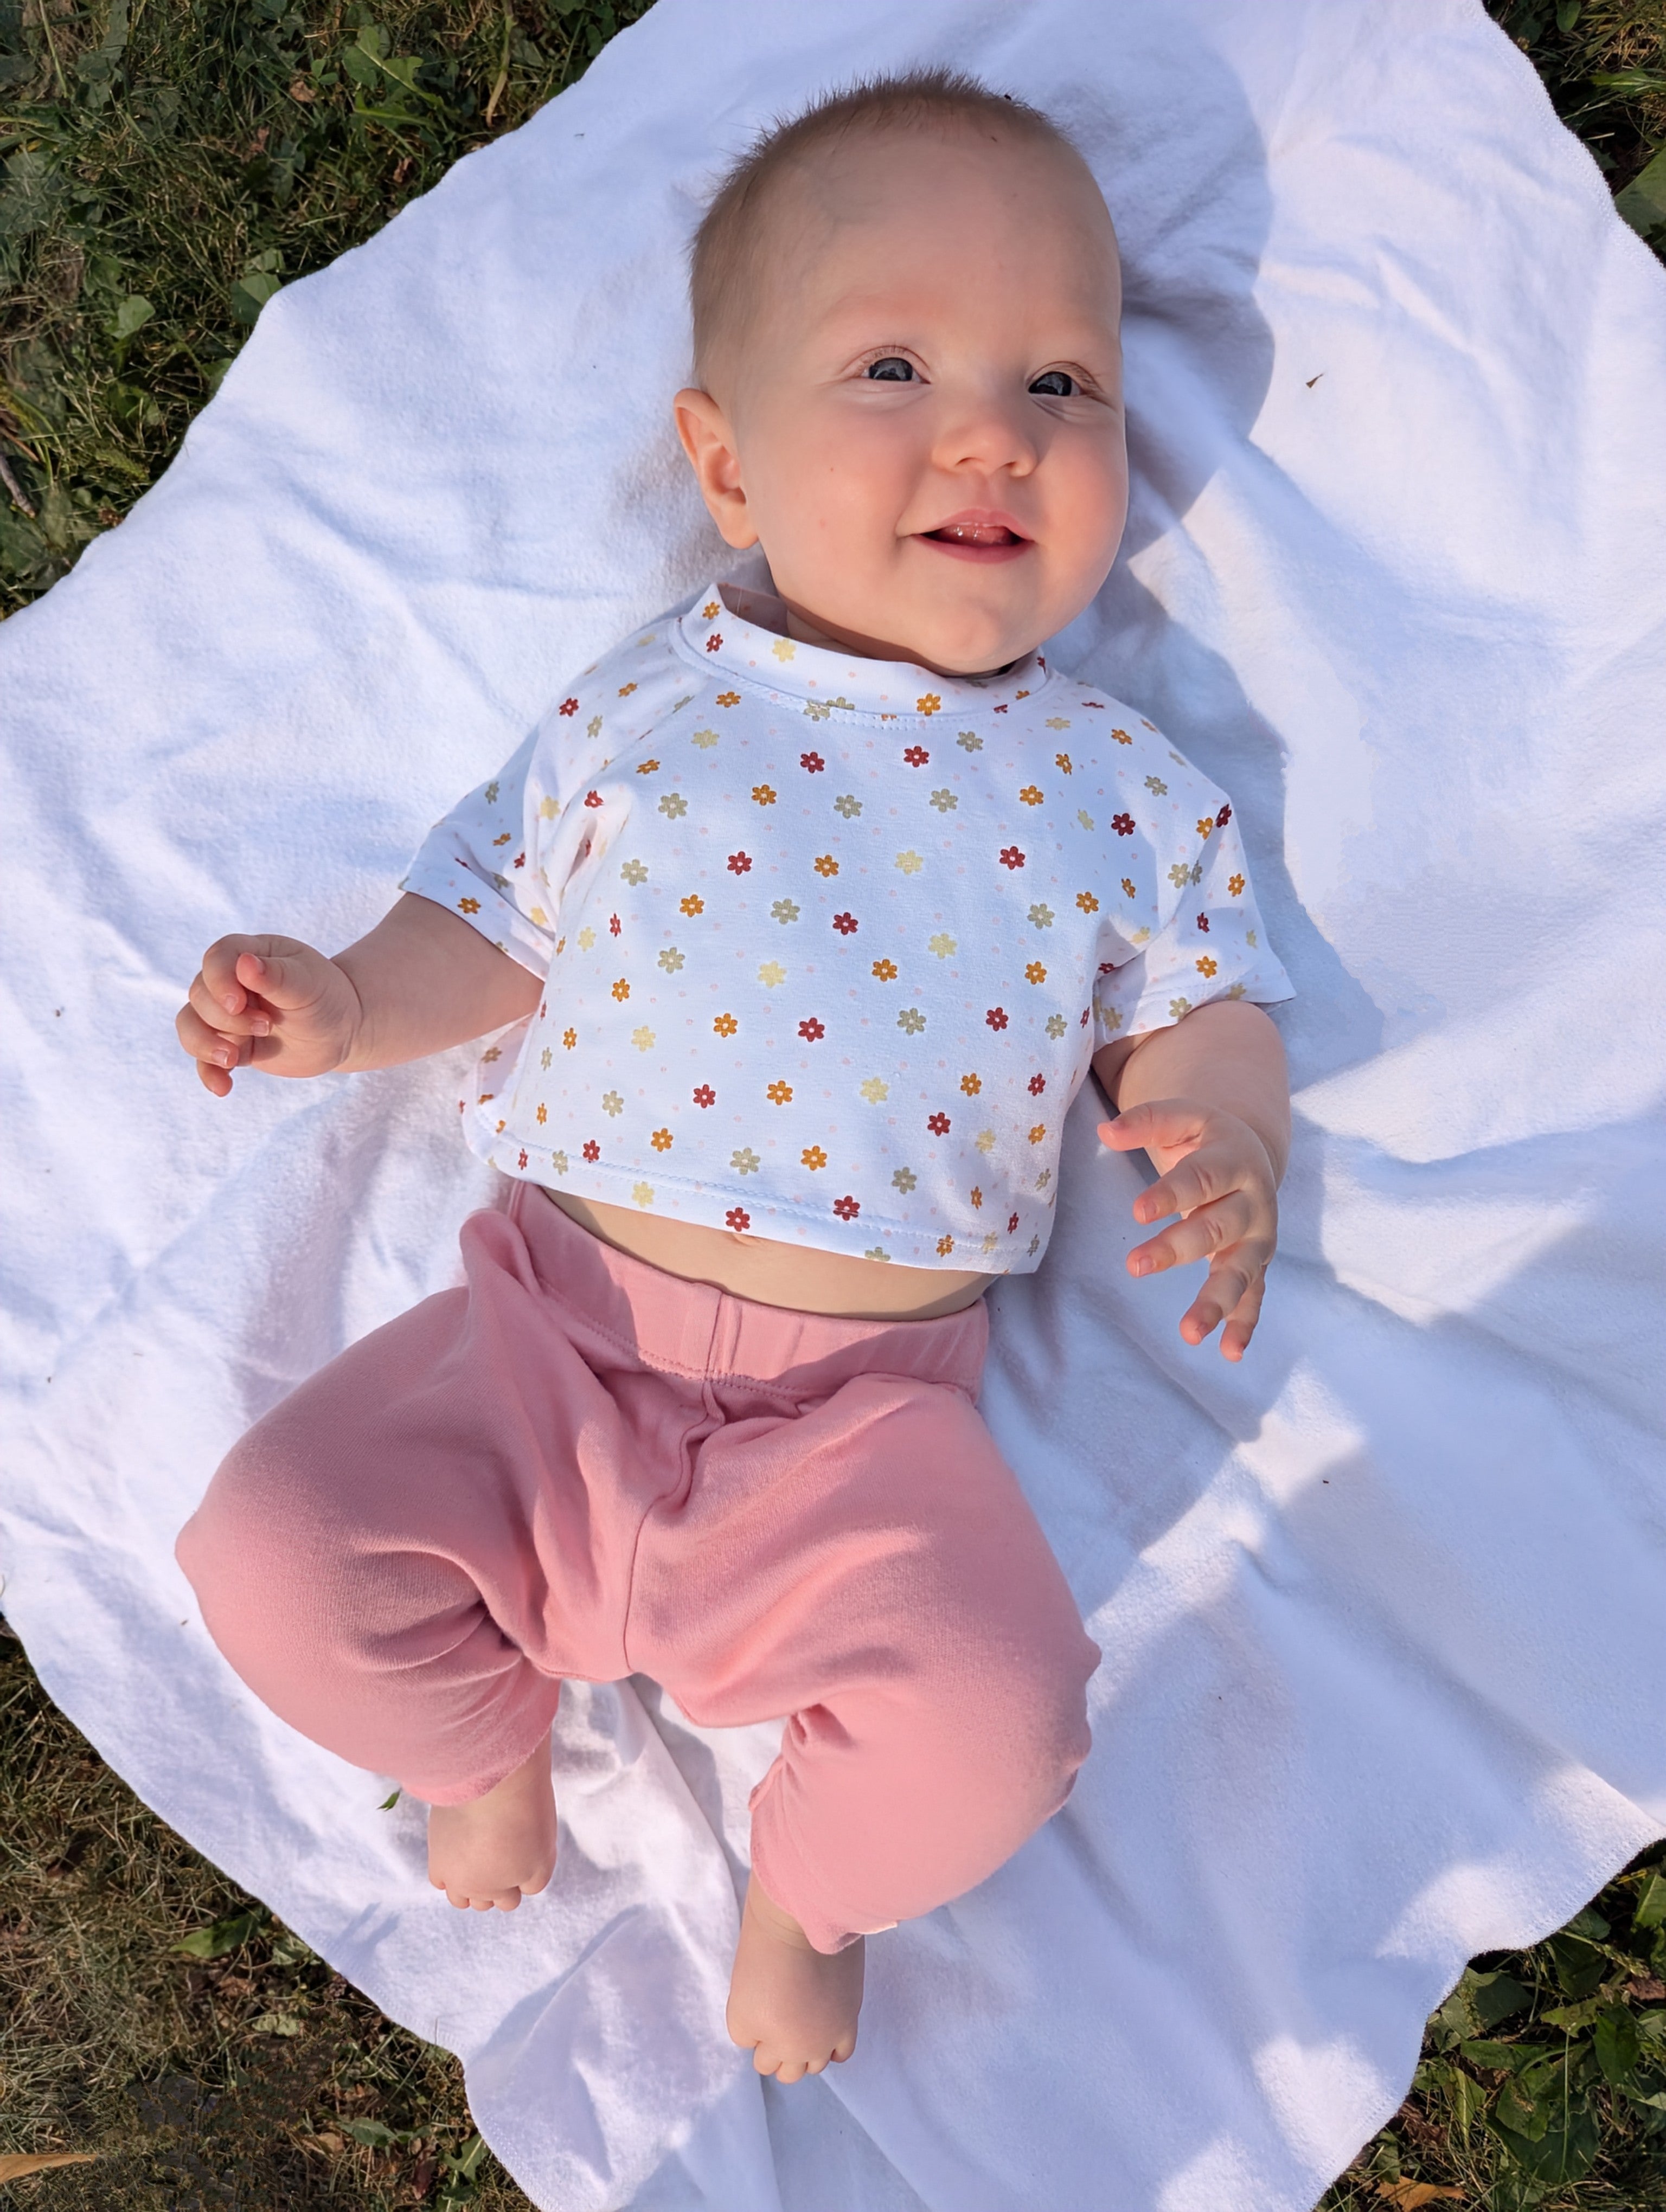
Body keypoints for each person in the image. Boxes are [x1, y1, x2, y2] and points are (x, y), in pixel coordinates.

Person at [173, 69, 1294, 2086]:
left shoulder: (1124, 791)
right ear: (725, 463)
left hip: (861, 1441)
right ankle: (484, 1734)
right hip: (540, 1347)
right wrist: (344, 1002)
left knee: (1006, 1720)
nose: (995, 433)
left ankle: (815, 1884)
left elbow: (1209, 1010)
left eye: (1067, 383)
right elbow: (485, 927)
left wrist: (1229, 1135)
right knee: (264, 1545)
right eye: (894, 363)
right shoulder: (642, 709)